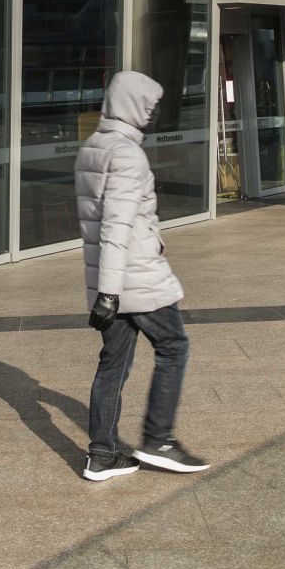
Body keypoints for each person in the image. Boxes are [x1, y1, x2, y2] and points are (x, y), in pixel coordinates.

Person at [75, 70, 210, 482]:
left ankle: (102, 455)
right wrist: (111, 294)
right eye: (146, 106)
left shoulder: (93, 148)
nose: (150, 114)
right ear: (130, 104)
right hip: (136, 278)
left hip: (111, 278)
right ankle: (159, 441)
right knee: (174, 347)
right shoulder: (127, 154)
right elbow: (116, 225)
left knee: (113, 364)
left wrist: (104, 290)